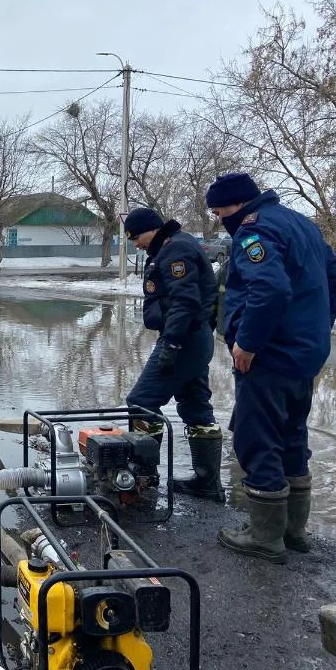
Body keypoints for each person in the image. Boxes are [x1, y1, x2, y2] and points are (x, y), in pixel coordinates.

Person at [206, 172, 336, 564]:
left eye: (221, 213)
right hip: (304, 353)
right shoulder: (299, 222)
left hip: (269, 354)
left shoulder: (255, 231)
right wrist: (316, 324)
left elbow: (269, 288)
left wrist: (248, 342)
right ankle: (292, 531)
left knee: (258, 438)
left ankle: (265, 536)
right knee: (291, 434)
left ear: (238, 206)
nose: (221, 221)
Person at [123, 207, 225, 501]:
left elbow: (185, 301)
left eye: (137, 237)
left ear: (153, 229)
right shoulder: (175, 245)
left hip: (183, 339)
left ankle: (143, 479)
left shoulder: (175, 249)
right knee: (195, 404)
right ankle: (208, 484)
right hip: (193, 338)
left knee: (141, 402)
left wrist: (171, 343)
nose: (136, 244)